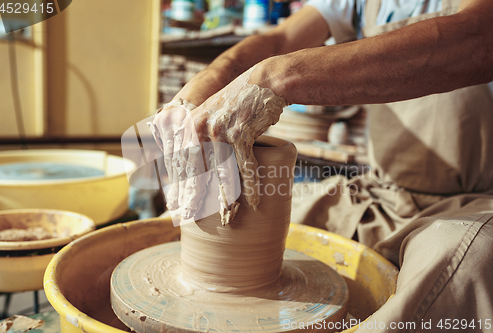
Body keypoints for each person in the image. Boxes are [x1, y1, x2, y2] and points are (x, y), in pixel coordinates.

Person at [151, 0, 493, 331]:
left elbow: (479, 37)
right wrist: (213, 78)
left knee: (462, 257)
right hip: (384, 195)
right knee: (234, 217)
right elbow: (281, 39)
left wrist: (278, 78)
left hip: (479, 202)